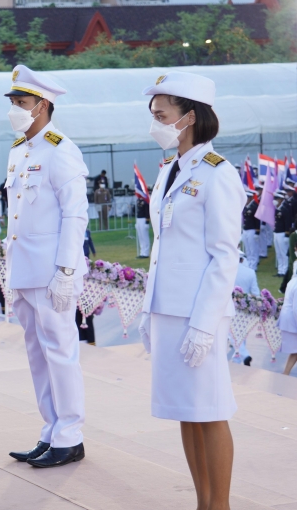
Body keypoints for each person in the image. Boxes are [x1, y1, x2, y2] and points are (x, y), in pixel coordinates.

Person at [137, 71, 244, 510]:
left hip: (198, 314)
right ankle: (203, 502)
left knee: (210, 411)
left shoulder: (218, 174)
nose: (156, 124)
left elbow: (224, 256)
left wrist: (203, 325)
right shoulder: (170, 170)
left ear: (190, 117)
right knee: (186, 411)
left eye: (162, 115)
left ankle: (220, 505)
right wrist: (149, 310)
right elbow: (164, 247)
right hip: (168, 310)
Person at [3, 65, 88, 468]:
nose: (15, 110)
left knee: (61, 353)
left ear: (42, 106)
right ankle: (51, 430)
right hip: (24, 270)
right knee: (38, 355)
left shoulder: (61, 149)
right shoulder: (19, 150)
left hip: (53, 273)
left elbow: (75, 215)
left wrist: (66, 272)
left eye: (21, 102)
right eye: (14, 102)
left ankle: (70, 435)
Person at [278, 257, 297, 376]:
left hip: (287, 318)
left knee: (295, 351)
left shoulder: (292, 281)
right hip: (292, 320)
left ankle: (285, 373)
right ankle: (285, 373)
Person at [242, 190, 261, 271]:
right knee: (248, 249)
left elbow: (257, 220)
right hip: (246, 229)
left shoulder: (254, 206)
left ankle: (254, 265)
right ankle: (249, 263)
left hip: (252, 230)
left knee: (253, 249)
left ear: (250, 198)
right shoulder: (245, 206)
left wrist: (257, 232)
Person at [274, 190, 291, 276]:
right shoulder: (277, 209)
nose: (275, 200)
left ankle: (285, 270)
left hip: (282, 233)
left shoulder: (284, 209)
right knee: (278, 253)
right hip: (276, 232)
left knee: (283, 253)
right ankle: (280, 270)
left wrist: (287, 235)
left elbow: (287, 222)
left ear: (281, 200)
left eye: (277, 199)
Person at [136, 193, 151, 258]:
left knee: (144, 237)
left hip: (143, 219)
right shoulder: (138, 200)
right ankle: (142, 252)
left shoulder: (146, 200)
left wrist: (147, 222)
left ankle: (146, 253)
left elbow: (147, 212)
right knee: (140, 237)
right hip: (139, 219)